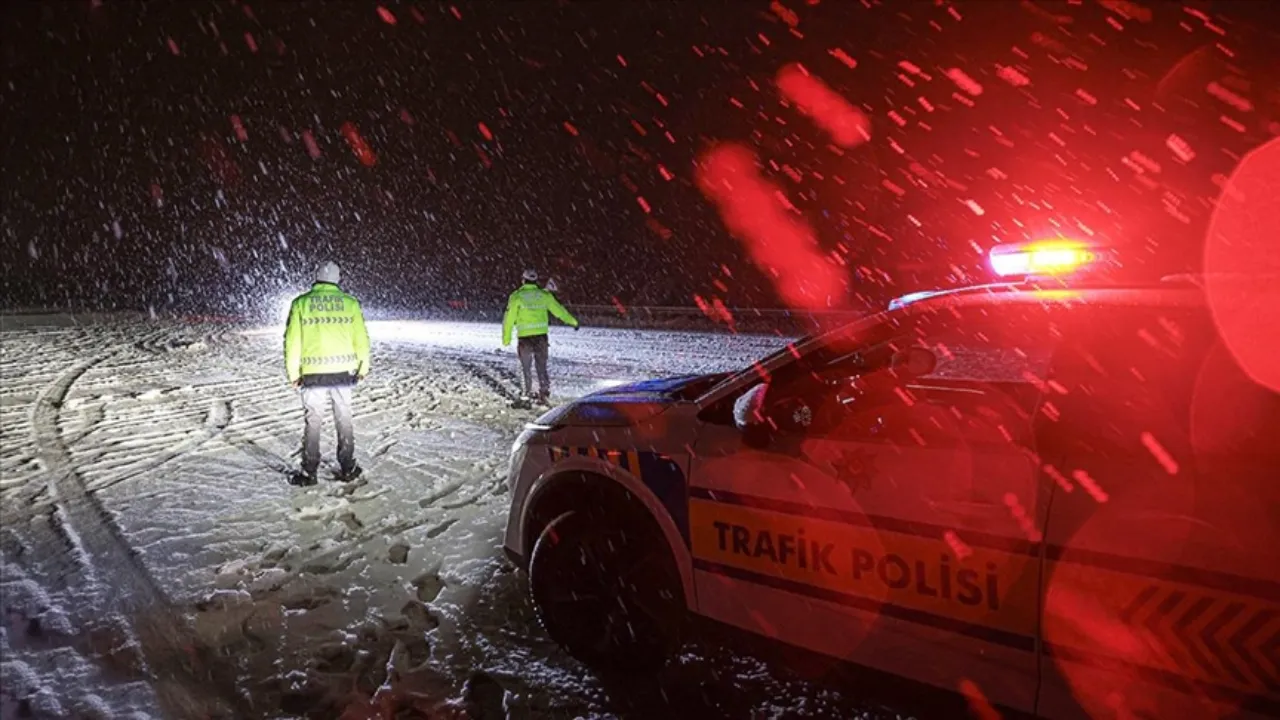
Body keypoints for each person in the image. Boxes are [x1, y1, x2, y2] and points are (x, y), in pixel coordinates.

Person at [283, 261, 371, 486]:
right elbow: (361, 339)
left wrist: (293, 373)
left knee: (313, 421)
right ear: (337, 279)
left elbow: (292, 342)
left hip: (313, 375)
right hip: (343, 373)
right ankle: (348, 466)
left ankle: (309, 471)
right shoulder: (350, 304)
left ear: (316, 276)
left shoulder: (301, 303)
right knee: (344, 418)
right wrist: (363, 367)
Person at [503, 269, 579, 404]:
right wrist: (573, 321)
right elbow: (559, 311)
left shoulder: (517, 296)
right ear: (536, 281)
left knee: (525, 367)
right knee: (541, 366)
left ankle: (526, 393)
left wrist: (506, 337)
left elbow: (509, 318)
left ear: (523, 280)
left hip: (525, 338)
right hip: (541, 337)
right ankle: (543, 392)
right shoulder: (544, 295)